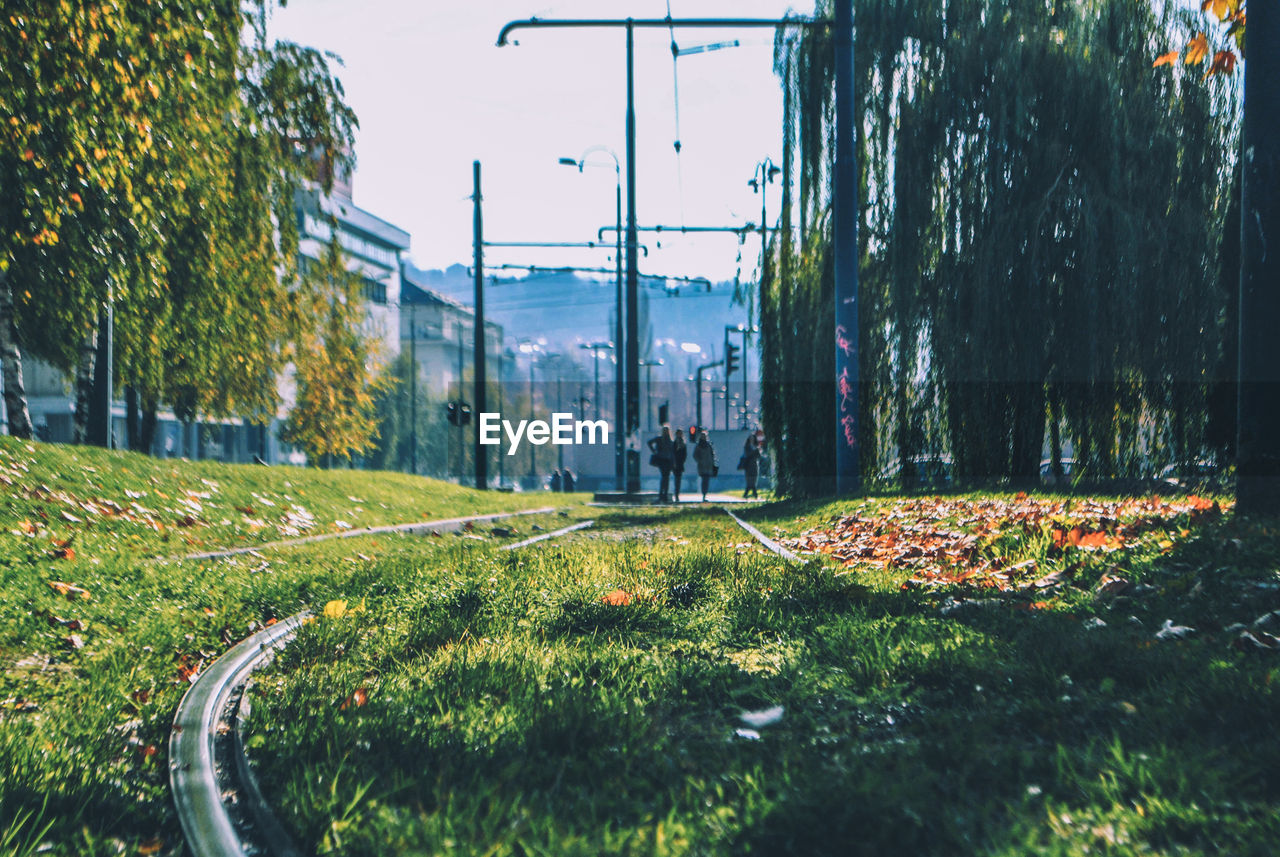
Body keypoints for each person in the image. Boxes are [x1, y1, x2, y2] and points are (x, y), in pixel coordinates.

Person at [647, 425, 675, 502]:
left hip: (667, 460)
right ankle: (663, 495)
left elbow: (672, 453)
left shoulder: (668, 441)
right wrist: (654, 451)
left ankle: (663, 495)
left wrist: (654, 451)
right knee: (665, 477)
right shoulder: (662, 440)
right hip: (663, 460)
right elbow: (649, 442)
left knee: (665, 477)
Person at [693, 429, 718, 502]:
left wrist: (713, 462)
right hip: (702, 466)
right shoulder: (698, 446)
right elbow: (695, 455)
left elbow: (712, 454)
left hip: (709, 465)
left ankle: (705, 494)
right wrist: (700, 461)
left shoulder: (709, 445)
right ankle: (703, 494)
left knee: (707, 480)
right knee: (704, 480)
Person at [741, 433, 762, 499]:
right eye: (750, 438)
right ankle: (753, 494)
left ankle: (749, 493)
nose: (752, 440)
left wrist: (757, 450)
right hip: (748, 465)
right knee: (749, 479)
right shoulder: (747, 446)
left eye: (753, 438)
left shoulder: (756, 446)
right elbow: (747, 455)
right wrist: (754, 451)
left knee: (754, 479)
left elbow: (759, 456)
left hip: (755, 465)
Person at [671, 430, 688, 502]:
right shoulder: (674, 443)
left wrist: (682, 461)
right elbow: (673, 453)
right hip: (675, 463)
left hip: (680, 463)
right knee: (676, 480)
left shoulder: (683, 443)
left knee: (678, 480)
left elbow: (685, 454)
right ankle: (676, 494)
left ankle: (677, 494)